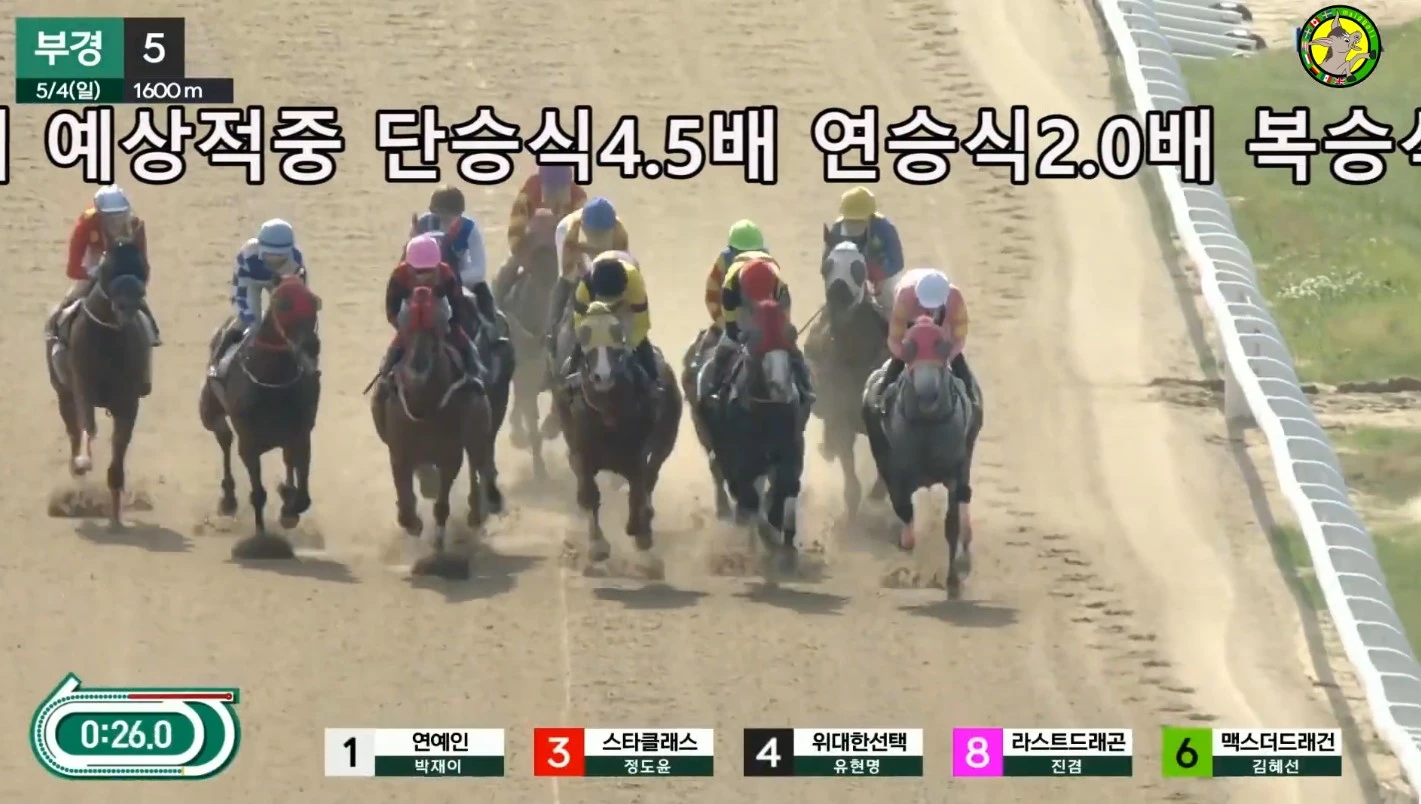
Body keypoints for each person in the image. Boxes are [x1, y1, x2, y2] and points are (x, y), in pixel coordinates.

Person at [46, 184, 161, 346]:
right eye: (110, 218)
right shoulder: (86, 224)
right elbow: (72, 268)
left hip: (120, 264)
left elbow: (143, 263)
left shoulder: (135, 225)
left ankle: (152, 331)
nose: (117, 222)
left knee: (135, 298)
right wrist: (91, 273)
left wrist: (137, 285)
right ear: (99, 215)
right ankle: (56, 332)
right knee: (72, 298)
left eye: (120, 215)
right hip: (93, 260)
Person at [378, 234, 485, 394]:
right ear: (408, 266)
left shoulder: (447, 275)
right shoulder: (398, 276)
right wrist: (404, 330)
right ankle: (384, 380)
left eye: (429, 271)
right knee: (394, 349)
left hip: (439, 312)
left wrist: (451, 327)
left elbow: (457, 304)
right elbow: (391, 309)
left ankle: (474, 377)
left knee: (465, 343)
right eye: (418, 272)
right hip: (410, 314)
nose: (423, 277)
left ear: (437, 266)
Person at [701, 257, 814, 405]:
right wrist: (740, 335)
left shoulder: (780, 289)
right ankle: (716, 388)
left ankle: (805, 387)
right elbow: (730, 324)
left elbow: (784, 318)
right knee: (723, 349)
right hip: (741, 318)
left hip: (771, 322)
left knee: (795, 354)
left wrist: (787, 332)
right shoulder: (731, 291)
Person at [210, 219, 309, 378]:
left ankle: (305, 364)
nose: (275, 261)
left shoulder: (296, 259)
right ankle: (218, 361)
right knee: (249, 323)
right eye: (270, 254)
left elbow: (299, 292)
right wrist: (247, 315)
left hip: (280, 283)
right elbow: (240, 289)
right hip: (250, 283)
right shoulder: (247, 255)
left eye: (281, 256)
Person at [410, 185, 498, 340]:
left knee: (483, 294)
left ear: (460, 215)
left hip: (458, 278)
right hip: (425, 279)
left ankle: (491, 333)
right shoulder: (422, 224)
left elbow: (479, 270)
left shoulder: (469, 229)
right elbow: (409, 255)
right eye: (438, 215)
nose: (443, 222)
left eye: (448, 217)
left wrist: (453, 278)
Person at [566, 252, 659, 394]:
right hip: (595, 309)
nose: (610, 306)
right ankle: (570, 376)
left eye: (613, 300)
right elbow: (579, 322)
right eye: (606, 301)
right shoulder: (584, 287)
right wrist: (586, 341)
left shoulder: (635, 282)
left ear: (625, 287)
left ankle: (654, 379)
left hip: (625, 307)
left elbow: (642, 324)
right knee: (580, 342)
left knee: (641, 343)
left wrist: (630, 345)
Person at [547, 197, 629, 357]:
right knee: (565, 287)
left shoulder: (620, 234)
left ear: (612, 229)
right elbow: (569, 275)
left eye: (603, 234)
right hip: (577, 275)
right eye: (594, 234)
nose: (598, 238)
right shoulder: (566, 231)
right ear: (584, 229)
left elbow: (621, 271)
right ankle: (551, 333)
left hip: (605, 272)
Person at [492, 164, 588, 300]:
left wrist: (573, 260)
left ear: (569, 184)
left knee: (585, 270)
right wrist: (522, 256)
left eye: (561, 189)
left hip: (564, 243)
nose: (556, 194)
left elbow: (581, 236)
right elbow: (515, 230)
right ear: (543, 185)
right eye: (551, 189)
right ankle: (496, 299)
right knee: (508, 267)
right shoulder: (528, 194)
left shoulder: (579, 198)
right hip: (532, 241)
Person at [875, 268, 971, 396]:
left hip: (942, 326)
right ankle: (881, 393)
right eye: (924, 305)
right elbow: (894, 339)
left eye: (933, 308)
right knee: (897, 361)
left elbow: (959, 338)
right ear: (917, 296)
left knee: (958, 362)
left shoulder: (955, 299)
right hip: (910, 323)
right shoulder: (904, 297)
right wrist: (904, 354)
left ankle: (971, 395)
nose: (928, 311)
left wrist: (949, 356)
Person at [823, 186, 904, 301]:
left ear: (871, 216)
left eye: (859, 220)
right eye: (850, 220)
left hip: (879, 274)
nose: (854, 224)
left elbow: (897, 261)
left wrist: (881, 275)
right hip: (849, 273)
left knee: (889, 298)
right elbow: (826, 259)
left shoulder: (885, 228)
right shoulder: (837, 228)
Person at [703, 219, 769, 331]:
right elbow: (712, 294)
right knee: (709, 340)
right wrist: (723, 323)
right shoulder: (724, 260)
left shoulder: (767, 262)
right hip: (730, 320)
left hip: (762, 322)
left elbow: (779, 297)